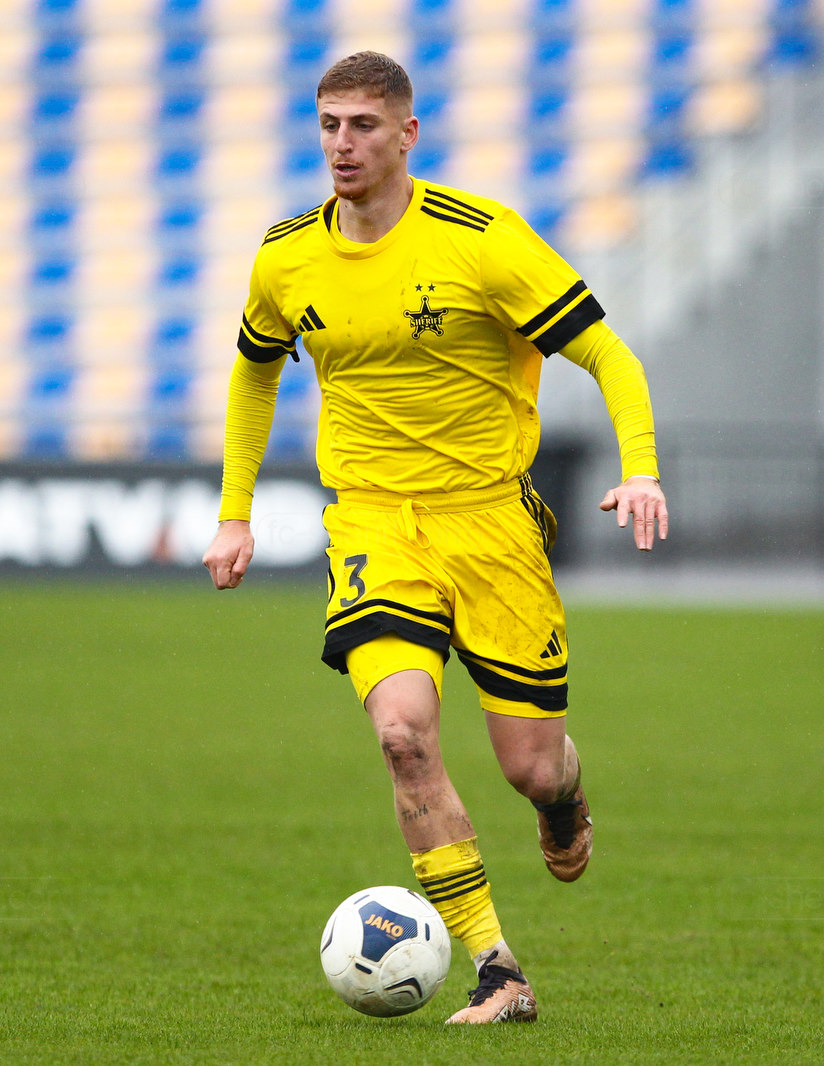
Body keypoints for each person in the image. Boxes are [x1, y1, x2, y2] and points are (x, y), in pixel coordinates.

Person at [202, 51, 668, 1024]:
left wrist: (640, 468)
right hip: (373, 520)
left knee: (530, 765)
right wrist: (233, 511)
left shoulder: (482, 239)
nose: (342, 145)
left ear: (407, 134)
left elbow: (606, 352)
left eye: (363, 125)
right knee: (403, 734)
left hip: (491, 521)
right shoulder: (286, 255)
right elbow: (253, 371)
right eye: (328, 124)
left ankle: (563, 800)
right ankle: (498, 968)